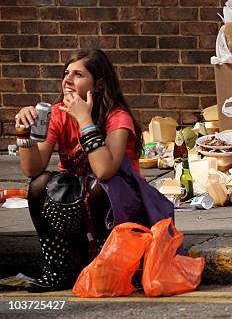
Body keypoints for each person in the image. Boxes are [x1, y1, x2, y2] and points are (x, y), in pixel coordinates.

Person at [15, 49, 173, 292]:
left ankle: (105, 263)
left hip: (119, 201)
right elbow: (32, 168)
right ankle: (57, 269)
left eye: (78, 74)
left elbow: (104, 170)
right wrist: (23, 132)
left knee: (98, 187)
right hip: (77, 199)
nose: (67, 80)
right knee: (39, 185)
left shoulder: (117, 117)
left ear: (98, 85)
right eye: (66, 73)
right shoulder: (58, 113)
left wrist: (84, 120)